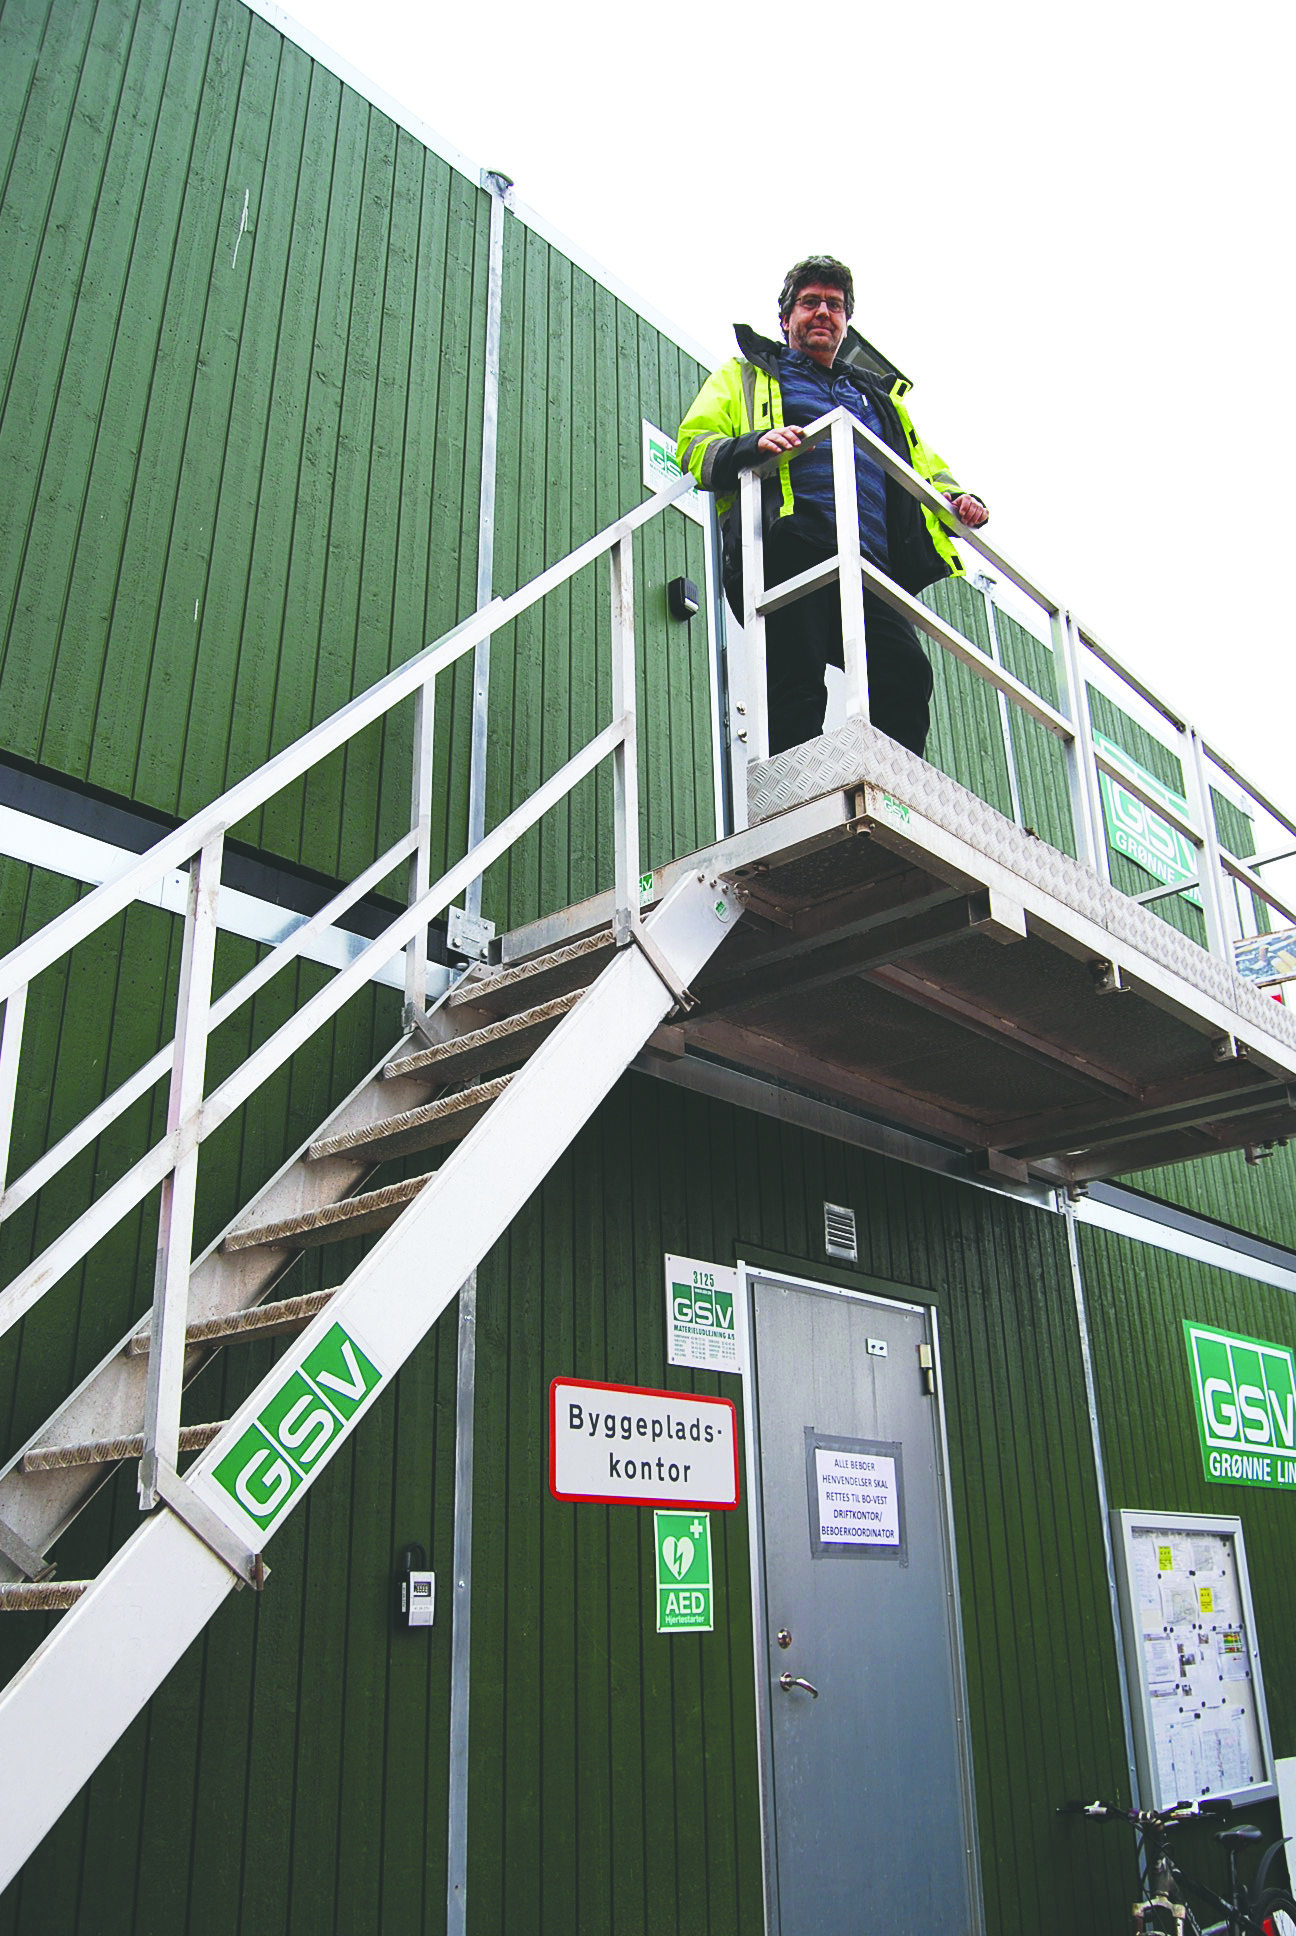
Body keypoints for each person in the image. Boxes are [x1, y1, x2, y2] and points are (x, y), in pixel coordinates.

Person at [677, 255, 988, 759]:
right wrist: (753, 445)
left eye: (835, 305)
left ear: (845, 322)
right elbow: (696, 445)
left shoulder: (876, 399)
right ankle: (798, 789)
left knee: (905, 674)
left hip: (869, 564)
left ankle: (891, 786)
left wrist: (958, 501)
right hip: (791, 543)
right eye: (810, 302)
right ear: (786, 319)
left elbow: (925, 467)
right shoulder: (747, 375)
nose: (823, 312)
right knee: (795, 677)